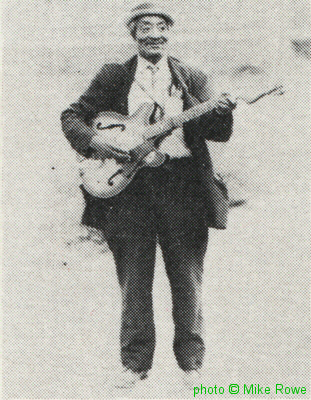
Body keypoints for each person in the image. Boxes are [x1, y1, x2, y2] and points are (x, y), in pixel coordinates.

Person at [61, 2, 236, 389]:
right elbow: (72, 116)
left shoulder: (191, 77)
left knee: (187, 278)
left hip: (183, 186)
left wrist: (223, 112)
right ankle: (134, 365)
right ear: (133, 34)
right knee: (134, 280)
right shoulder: (113, 76)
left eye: (161, 27)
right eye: (145, 27)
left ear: (170, 34)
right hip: (129, 191)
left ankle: (192, 366)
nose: (154, 34)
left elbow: (218, 132)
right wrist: (100, 142)